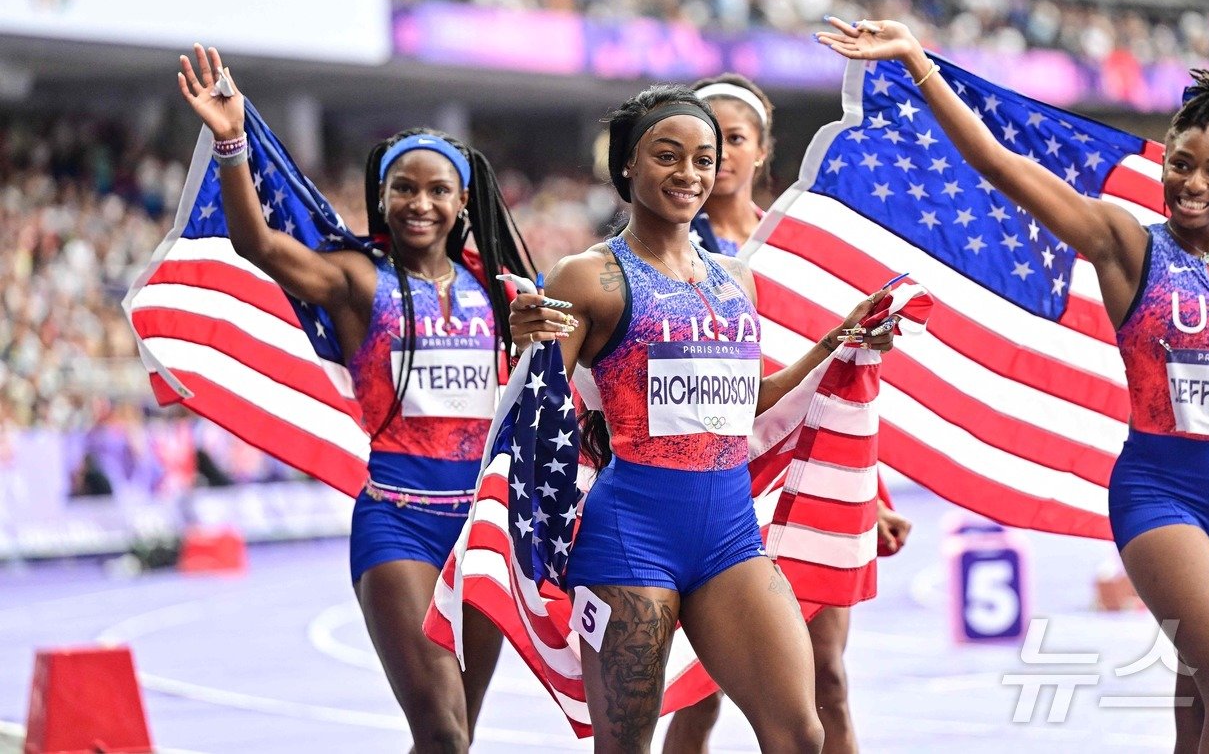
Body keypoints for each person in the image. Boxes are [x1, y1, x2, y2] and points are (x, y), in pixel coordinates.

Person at [815, 16, 1209, 751]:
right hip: (1160, 493)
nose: (1193, 182)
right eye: (1182, 163)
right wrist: (917, 63)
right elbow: (1001, 166)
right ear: (1165, 165)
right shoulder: (1124, 243)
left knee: (1203, 689)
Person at [505, 83, 895, 753]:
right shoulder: (587, 276)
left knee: (800, 731)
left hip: (729, 537)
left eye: (703, 158)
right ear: (628, 163)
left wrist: (834, 344)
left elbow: (741, 406)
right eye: (667, 155)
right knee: (625, 744)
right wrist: (521, 334)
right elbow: (537, 401)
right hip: (630, 537)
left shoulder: (736, 279)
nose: (688, 172)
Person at [177, 44, 531, 753]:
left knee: (456, 731)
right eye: (404, 188)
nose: (420, 203)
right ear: (383, 197)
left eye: (437, 190)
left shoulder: (501, 293)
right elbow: (260, 245)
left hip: (486, 531)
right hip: (397, 523)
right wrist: (230, 139)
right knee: (442, 727)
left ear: (464, 200)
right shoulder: (356, 281)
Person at [662, 74, 912, 754]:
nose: (715, 155)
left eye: (732, 139)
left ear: (762, 151)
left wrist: (875, 493)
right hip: (715, 487)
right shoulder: (663, 251)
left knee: (826, 675)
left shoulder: (803, 251)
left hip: (809, 480)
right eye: (703, 139)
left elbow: (841, 373)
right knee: (701, 689)